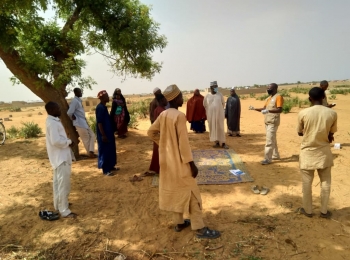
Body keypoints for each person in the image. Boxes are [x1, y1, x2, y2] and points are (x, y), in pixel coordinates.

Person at [147, 84, 221, 239]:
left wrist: (165, 145)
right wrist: (191, 164)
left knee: (176, 190)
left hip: (168, 161)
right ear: (175, 98)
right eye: (180, 96)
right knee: (192, 192)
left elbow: (151, 132)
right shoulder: (179, 116)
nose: (182, 98)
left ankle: (179, 222)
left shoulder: (164, 114)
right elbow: (183, 144)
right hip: (181, 162)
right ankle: (199, 228)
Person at [296, 87, 337, 219]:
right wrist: (327, 136)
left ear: (310, 99)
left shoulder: (303, 113)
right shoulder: (332, 113)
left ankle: (307, 210)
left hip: (307, 152)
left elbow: (299, 132)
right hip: (324, 153)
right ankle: (324, 211)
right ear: (324, 97)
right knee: (326, 182)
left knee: (306, 183)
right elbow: (331, 133)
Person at [45, 101, 77, 218]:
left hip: (59, 157)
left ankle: (59, 205)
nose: (60, 110)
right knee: (63, 184)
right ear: (53, 110)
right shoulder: (52, 123)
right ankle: (64, 210)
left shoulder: (52, 121)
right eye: (58, 108)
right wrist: (69, 142)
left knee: (58, 184)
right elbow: (56, 141)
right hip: (60, 158)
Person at [252, 83, 283, 165]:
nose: (268, 89)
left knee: (269, 140)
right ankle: (275, 155)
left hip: (273, 122)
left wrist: (268, 111)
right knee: (272, 139)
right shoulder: (269, 98)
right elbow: (264, 108)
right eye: (268, 88)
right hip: (267, 121)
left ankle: (267, 159)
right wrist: (254, 108)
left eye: (270, 88)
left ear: (275, 88)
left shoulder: (278, 97)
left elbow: (279, 110)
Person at [67, 88, 96, 158]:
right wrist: (72, 117)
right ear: (76, 92)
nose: (81, 93)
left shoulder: (78, 101)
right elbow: (69, 112)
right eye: (80, 92)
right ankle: (90, 153)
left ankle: (91, 151)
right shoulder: (74, 101)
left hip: (83, 122)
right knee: (86, 139)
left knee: (93, 135)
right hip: (79, 123)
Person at [145, 94, 168, 176]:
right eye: (165, 99)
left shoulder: (157, 109)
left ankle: (157, 168)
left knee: (157, 152)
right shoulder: (162, 111)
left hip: (157, 134)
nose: (167, 101)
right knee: (161, 153)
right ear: (162, 100)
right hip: (162, 134)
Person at [96, 90, 118, 176]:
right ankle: (106, 169)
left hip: (109, 132)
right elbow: (99, 123)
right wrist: (103, 135)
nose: (108, 98)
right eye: (107, 96)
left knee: (111, 149)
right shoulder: (100, 108)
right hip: (104, 134)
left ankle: (111, 166)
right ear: (102, 98)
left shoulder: (104, 107)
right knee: (105, 151)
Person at [203, 81, 228, 149]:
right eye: (215, 86)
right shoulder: (207, 96)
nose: (216, 87)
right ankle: (216, 142)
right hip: (211, 116)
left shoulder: (220, 94)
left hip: (219, 115)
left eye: (217, 86)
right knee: (213, 128)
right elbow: (205, 105)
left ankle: (223, 143)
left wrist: (218, 110)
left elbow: (223, 103)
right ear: (211, 87)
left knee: (220, 128)